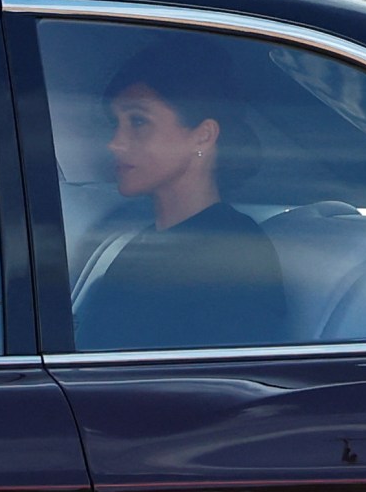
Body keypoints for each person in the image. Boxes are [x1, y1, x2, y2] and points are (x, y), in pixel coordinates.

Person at [74, 37, 287, 350]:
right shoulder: (139, 243)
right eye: (116, 123)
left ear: (202, 136)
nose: (115, 142)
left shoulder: (235, 254)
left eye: (138, 121)